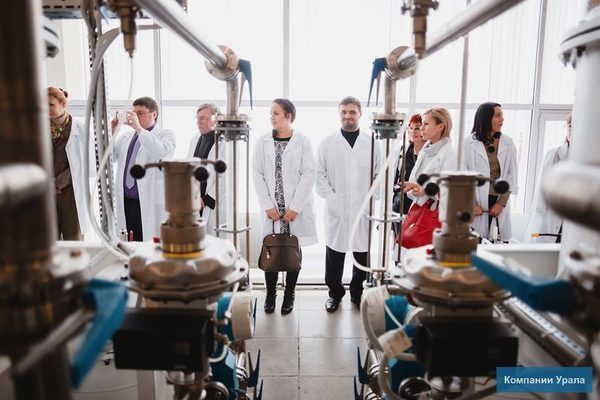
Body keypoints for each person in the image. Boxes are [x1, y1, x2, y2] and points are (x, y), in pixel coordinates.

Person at [251, 99, 317, 315]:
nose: (271, 117)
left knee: (292, 250)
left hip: (294, 209)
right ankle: (270, 294)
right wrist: (267, 205)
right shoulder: (262, 142)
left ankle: (290, 294)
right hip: (272, 209)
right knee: (271, 249)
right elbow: (257, 174)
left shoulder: (303, 141)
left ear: (289, 116)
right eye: (271, 113)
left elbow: (309, 174)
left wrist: (295, 207)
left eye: (276, 113)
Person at [316, 96, 381, 313]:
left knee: (361, 252)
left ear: (360, 113)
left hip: (363, 206)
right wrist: (331, 198)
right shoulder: (327, 143)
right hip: (337, 207)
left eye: (352, 112)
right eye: (343, 112)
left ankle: (357, 292)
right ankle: (334, 293)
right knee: (335, 252)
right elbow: (319, 174)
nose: (347, 116)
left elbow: (380, 173)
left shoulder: (372, 143)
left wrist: (372, 197)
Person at [111, 96, 176, 241]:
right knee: (129, 241)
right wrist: (112, 133)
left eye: (140, 113)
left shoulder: (165, 134)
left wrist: (139, 129)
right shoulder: (126, 137)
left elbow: (161, 152)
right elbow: (109, 157)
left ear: (154, 114)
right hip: (126, 201)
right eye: (133, 113)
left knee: (147, 242)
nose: (135, 117)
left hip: (148, 200)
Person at [463, 102, 518, 242]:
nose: (502, 119)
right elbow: (463, 176)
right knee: (475, 244)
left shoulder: (508, 143)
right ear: (486, 118)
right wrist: (472, 204)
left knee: (497, 242)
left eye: (502, 115)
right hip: (476, 200)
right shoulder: (468, 143)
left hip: (498, 199)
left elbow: (511, 175)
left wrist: (501, 203)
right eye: (497, 115)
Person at [48, 87, 90, 240]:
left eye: (51, 104)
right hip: (46, 191)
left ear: (63, 103)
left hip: (71, 191)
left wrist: (58, 183)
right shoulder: (38, 129)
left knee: (74, 239)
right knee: (49, 240)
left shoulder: (80, 129)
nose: (47, 109)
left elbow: (84, 163)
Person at [525, 114, 572, 243]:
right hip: (551, 215)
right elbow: (542, 190)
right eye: (570, 126)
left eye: (576, 126)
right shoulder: (554, 154)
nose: (572, 130)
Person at [403, 107, 457, 212]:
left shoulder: (451, 155)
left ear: (440, 126)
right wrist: (413, 189)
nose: (421, 128)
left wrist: (425, 190)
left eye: (426, 124)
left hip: (438, 214)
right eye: (422, 124)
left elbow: (450, 192)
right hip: (418, 210)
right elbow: (414, 182)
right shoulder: (424, 151)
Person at [187, 103, 225, 233]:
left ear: (216, 120)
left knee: (215, 241)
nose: (199, 122)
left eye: (203, 118)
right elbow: (189, 168)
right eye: (197, 118)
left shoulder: (225, 143)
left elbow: (227, 177)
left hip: (212, 203)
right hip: (196, 200)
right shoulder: (195, 140)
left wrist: (207, 199)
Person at [392, 113, 425, 235]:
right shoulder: (402, 152)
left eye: (417, 128)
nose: (413, 131)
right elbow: (393, 177)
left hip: (421, 205)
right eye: (410, 128)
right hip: (401, 205)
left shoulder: (430, 154)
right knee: (399, 241)